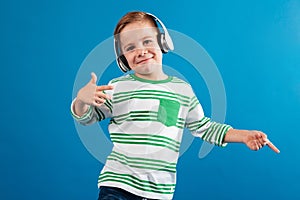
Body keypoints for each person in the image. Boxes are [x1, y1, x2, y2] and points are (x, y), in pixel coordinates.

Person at [71, 11, 279, 200]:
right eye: (130, 47)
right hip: (117, 186)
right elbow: (86, 117)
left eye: (147, 41)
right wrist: (81, 100)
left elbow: (204, 127)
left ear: (163, 42)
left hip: (160, 192)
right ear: (123, 57)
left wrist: (243, 135)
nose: (141, 51)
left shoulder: (183, 90)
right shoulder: (117, 87)